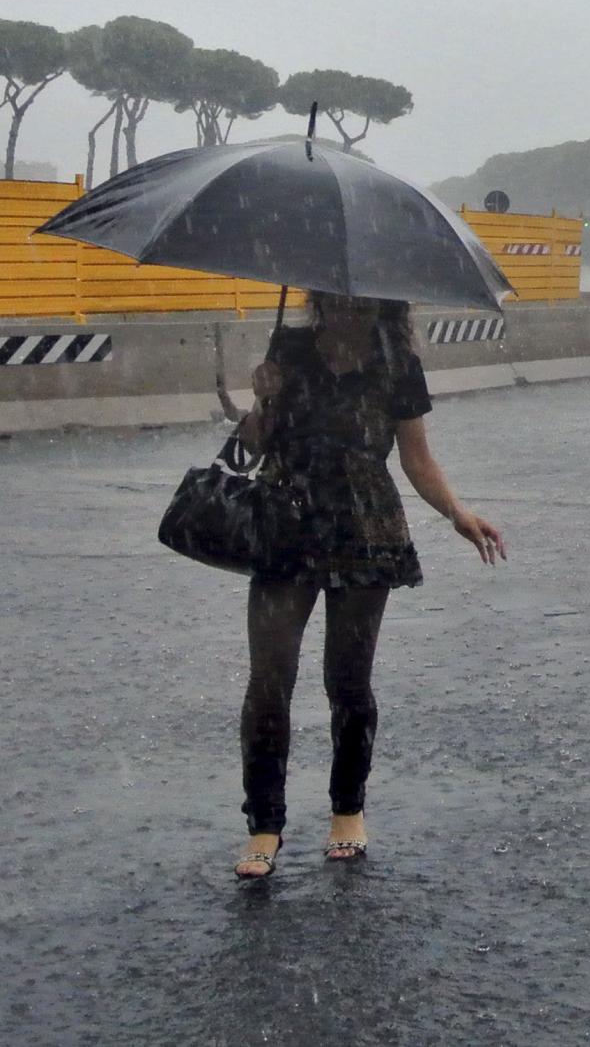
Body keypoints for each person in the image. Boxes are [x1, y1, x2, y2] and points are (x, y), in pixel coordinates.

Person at [230, 293, 505, 880]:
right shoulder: (289, 349)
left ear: (382, 308)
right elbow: (252, 444)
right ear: (322, 300)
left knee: (348, 680)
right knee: (269, 680)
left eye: (361, 305)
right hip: (286, 526)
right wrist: (263, 398)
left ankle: (347, 810)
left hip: (365, 530)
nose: (348, 312)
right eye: (338, 302)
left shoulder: (396, 362)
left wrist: (457, 513)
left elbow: (416, 458)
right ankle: (264, 824)